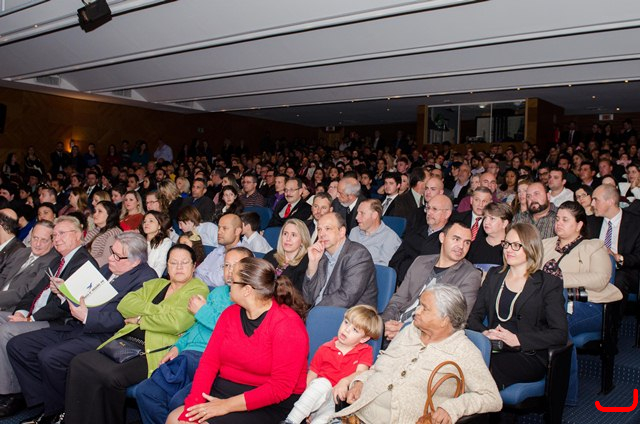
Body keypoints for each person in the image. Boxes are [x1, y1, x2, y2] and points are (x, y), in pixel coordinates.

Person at [6, 233, 157, 423]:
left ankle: (58, 412)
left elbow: (125, 318)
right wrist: (65, 293)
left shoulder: (146, 279)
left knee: (50, 357)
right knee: (19, 346)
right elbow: (83, 298)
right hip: (77, 326)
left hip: (105, 335)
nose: (110, 258)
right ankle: (48, 403)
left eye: (117, 256)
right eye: (112, 251)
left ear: (135, 261)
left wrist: (87, 316)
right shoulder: (107, 269)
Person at [64, 244, 209, 424]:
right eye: (173, 262)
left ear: (194, 266)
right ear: (167, 266)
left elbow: (177, 322)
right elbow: (125, 304)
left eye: (184, 262)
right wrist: (159, 311)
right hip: (126, 340)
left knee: (111, 376)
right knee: (79, 363)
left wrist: (140, 319)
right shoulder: (157, 284)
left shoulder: (198, 289)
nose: (179, 267)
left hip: (153, 349)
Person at [166, 257, 309, 424]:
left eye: (233, 281)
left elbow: (280, 388)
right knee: (175, 419)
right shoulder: (230, 314)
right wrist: (194, 404)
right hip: (228, 388)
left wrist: (226, 406)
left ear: (247, 290)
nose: (228, 282)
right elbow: (209, 363)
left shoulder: (287, 324)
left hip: (270, 401)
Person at [335, 285, 502, 423]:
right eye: (419, 305)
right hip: (358, 414)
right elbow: (379, 368)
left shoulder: (464, 350)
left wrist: (453, 408)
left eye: (424, 308)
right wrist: (360, 382)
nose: (416, 311)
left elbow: (492, 398)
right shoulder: (410, 332)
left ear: (445, 320)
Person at [135, 247, 254, 424]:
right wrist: (178, 346)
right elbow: (196, 326)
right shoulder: (218, 293)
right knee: (146, 392)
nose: (230, 271)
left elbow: (234, 332)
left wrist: (203, 311)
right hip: (187, 354)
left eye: (236, 266)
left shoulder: (248, 298)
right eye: (226, 265)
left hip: (213, 361)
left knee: (178, 403)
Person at [0, 217, 98, 414]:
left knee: (6, 331)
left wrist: (30, 319)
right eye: (55, 235)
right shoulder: (59, 260)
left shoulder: (84, 263)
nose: (57, 239)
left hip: (57, 322)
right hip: (35, 315)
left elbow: (63, 307)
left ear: (78, 235)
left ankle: (10, 394)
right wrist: (21, 312)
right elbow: (33, 293)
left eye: (62, 234)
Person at [467, 223, 568, 390]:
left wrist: (518, 340)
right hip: (493, 348)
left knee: (479, 369)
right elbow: (473, 318)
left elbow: (560, 333)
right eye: (506, 244)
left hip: (527, 354)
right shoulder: (494, 276)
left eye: (516, 245)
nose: (508, 249)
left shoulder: (548, 283)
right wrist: (484, 334)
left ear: (531, 247)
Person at [282, 305, 382, 424]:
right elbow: (311, 377)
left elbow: (361, 373)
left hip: (336, 403)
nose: (346, 329)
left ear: (364, 339)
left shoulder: (364, 351)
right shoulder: (325, 348)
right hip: (317, 396)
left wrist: (344, 381)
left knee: (327, 417)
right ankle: (291, 421)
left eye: (355, 330)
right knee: (322, 383)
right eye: (346, 322)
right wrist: (306, 406)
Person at [382, 221, 480, 341]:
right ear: (442, 238)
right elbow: (398, 299)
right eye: (456, 239)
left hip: (425, 337)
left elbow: (454, 321)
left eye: (467, 242)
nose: (461, 246)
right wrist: (384, 324)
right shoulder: (420, 262)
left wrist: (405, 330)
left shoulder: (470, 275)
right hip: (394, 326)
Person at [303, 212, 377, 309]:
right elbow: (308, 298)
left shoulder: (358, 254)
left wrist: (314, 312)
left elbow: (346, 298)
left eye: (327, 228)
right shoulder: (322, 256)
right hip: (320, 312)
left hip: (349, 315)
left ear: (341, 232)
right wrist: (313, 265)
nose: (321, 234)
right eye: (319, 229)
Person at [389, 194, 453, 283]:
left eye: (434, 209)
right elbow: (395, 261)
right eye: (428, 208)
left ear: (447, 214)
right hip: (402, 282)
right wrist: (396, 282)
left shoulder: (451, 239)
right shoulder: (415, 232)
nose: (429, 213)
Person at [0, 221, 58, 313]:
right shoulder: (22, 252)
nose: (37, 244)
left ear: (52, 242)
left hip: (13, 310)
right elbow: (3, 276)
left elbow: (27, 291)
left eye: (44, 240)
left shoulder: (52, 262)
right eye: (35, 238)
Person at [195, 214, 246, 287]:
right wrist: (210, 276)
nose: (219, 232)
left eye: (225, 228)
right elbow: (198, 271)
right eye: (219, 228)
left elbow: (220, 282)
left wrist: (205, 275)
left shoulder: (244, 255)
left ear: (237, 231)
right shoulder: (217, 250)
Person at [263, 219, 311, 294]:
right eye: (285, 234)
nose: (288, 239)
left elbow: (299, 294)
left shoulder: (306, 263)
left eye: (293, 235)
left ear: (302, 240)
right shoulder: (271, 255)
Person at [348, 199, 401, 266]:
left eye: (362, 213)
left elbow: (383, 268)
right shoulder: (354, 231)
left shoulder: (390, 238)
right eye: (357, 213)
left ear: (374, 215)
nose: (356, 217)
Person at [84, 201, 123, 267]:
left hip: (97, 268)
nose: (95, 214)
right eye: (95, 211)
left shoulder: (114, 233)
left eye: (100, 211)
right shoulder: (96, 229)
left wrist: (83, 264)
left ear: (110, 214)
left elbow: (106, 259)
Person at [140, 211, 172, 277]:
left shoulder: (165, 242)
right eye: (144, 221)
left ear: (159, 226)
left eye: (151, 221)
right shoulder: (139, 240)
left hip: (151, 278)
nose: (146, 224)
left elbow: (160, 265)